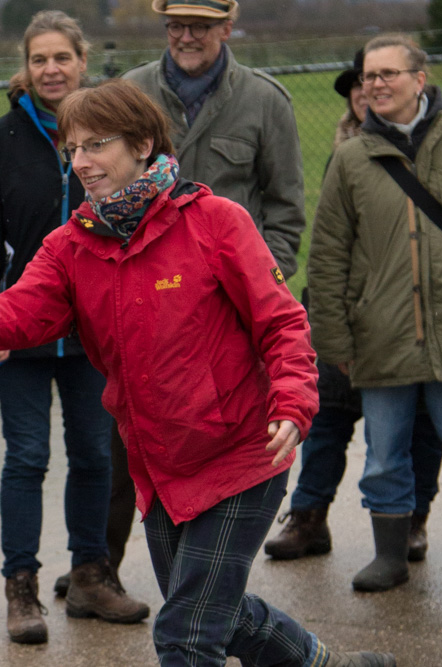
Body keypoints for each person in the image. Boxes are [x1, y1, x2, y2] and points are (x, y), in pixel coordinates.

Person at [0, 78, 395, 667]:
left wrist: (293, 401)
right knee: (213, 609)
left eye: (96, 145)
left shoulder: (215, 221)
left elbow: (281, 323)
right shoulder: (71, 247)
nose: (81, 162)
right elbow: (15, 315)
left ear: (143, 143)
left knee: (186, 635)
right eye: (74, 149)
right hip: (161, 464)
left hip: (245, 453)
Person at [0, 10, 149, 645]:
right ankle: (21, 588)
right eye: (40, 59)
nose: (51, 69)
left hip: (94, 333)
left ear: (82, 61)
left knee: (95, 455)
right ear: (25, 66)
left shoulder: (106, 137)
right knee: (28, 457)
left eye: (62, 57)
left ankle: (91, 575)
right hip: (23, 331)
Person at [93, 0, 305, 586]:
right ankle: (102, 569)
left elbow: (285, 209)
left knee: (224, 443)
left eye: (201, 27)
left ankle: (211, 577)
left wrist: (262, 291)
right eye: (176, 26)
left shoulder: (264, 101)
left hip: (229, 319)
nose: (186, 37)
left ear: (226, 28)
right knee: (126, 449)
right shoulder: (130, 92)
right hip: (142, 314)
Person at [309, 33, 442, 594]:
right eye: (368, 76)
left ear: (420, 80)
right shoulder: (352, 158)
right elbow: (329, 253)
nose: (376, 84)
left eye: (388, 74)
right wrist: (333, 339)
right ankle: (390, 557)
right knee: (383, 458)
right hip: (378, 337)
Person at [264, 49, 442, 562]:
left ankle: (414, 518)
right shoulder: (345, 149)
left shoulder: (427, 147)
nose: (367, 91)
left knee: (422, 427)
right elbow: (328, 246)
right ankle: (308, 516)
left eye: (380, 78)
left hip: (411, 313)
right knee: (328, 418)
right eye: (359, 83)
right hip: (350, 309)